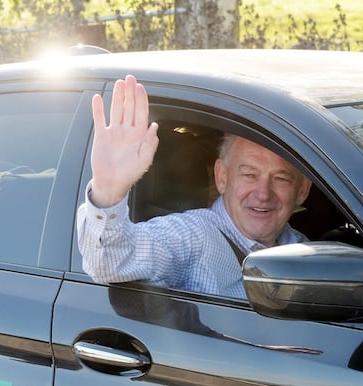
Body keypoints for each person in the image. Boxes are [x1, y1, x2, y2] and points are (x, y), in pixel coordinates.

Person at [77, 75, 312, 298]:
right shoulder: (193, 236)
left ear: (302, 190)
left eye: (281, 179)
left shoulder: (305, 250)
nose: (263, 193)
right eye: (249, 174)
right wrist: (108, 191)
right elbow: (110, 264)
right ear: (222, 177)